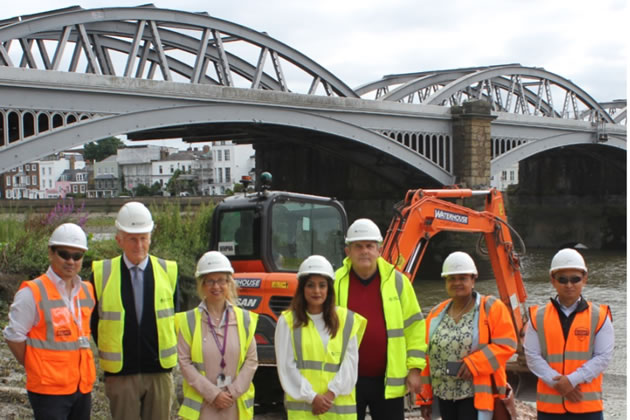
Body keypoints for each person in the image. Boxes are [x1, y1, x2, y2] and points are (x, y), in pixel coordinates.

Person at [90, 201, 179, 420]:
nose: (138, 245)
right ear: (119, 239)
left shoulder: (169, 271)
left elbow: (173, 317)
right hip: (121, 375)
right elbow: (94, 323)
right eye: (132, 238)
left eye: (143, 238)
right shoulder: (102, 273)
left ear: (150, 237)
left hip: (159, 372)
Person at [334, 218, 426, 420]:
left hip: (387, 381)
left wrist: (415, 369)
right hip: (346, 380)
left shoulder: (398, 282)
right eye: (358, 246)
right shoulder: (334, 283)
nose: (364, 251)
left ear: (379, 250)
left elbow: (415, 328)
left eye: (369, 246)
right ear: (348, 251)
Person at [3, 223, 96, 420]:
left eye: (77, 256)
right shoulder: (32, 293)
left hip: (81, 386)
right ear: (51, 253)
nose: (71, 261)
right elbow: (13, 336)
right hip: (48, 391)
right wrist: (35, 366)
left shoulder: (87, 290)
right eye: (64, 254)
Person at [417, 251, 517, 420]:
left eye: (462, 278)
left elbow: (507, 344)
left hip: (475, 395)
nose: (457, 283)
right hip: (444, 395)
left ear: (473, 280)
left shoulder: (491, 307)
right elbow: (426, 357)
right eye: (451, 278)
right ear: (445, 282)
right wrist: (424, 398)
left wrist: (474, 364)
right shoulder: (435, 314)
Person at [524, 248, 613, 420]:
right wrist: (558, 384)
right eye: (562, 279)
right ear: (553, 280)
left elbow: (603, 357)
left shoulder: (600, 317)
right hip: (550, 409)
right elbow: (532, 356)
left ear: (584, 280)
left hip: (587, 409)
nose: (569, 285)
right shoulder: (537, 317)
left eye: (575, 279)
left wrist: (571, 381)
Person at [276, 255, 367, 419]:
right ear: (302, 289)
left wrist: (330, 394)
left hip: (338, 411)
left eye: (322, 285)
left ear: (329, 289)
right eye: (310, 285)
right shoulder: (288, 321)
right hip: (305, 411)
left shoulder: (347, 320)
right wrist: (312, 397)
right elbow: (286, 367)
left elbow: (350, 365)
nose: (316, 291)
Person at [176, 251, 259, 420]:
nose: (216, 287)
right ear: (202, 285)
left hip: (233, 405)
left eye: (221, 280)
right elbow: (184, 363)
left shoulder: (244, 319)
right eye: (210, 281)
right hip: (203, 407)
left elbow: (251, 361)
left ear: (229, 283)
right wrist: (213, 394)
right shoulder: (188, 320)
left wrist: (231, 392)